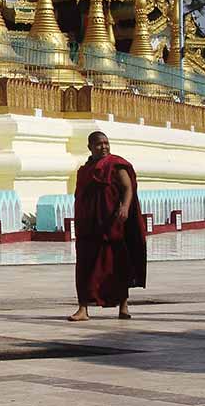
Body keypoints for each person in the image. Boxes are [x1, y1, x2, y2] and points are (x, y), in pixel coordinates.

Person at [69, 131, 147, 321]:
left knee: (117, 265)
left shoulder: (115, 164)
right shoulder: (84, 170)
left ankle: (123, 306)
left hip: (112, 223)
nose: (103, 147)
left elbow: (128, 187)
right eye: (98, 144)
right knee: (85, 266)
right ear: (90, 147)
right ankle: (83, 309)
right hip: (89, 225)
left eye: (106, 143)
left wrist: (125, 207)